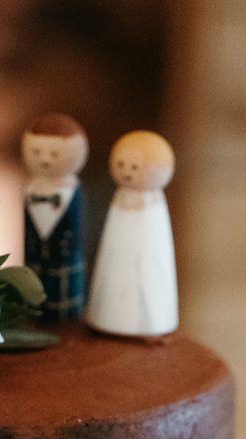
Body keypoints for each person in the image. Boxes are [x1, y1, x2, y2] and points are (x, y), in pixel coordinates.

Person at [85, 130, 178, 338]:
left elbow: (157, 249)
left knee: (149, 282)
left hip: (147, 266)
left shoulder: (155, 205)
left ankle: (150, 322)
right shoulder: (119, 198)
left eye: (134, 167)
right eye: (121, 165)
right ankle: (107, 317)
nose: (127, 172)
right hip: (117, 260)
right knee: (114, 279)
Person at [22, 113, 88, 322]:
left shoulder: (73, 190)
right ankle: (34, 310)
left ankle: (65, 316)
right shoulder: (30, 188)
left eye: (54, 153)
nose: (44, 159)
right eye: (37, 152)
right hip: (33, 260)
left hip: (64, 261)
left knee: (65, 308)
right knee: (34, 297)